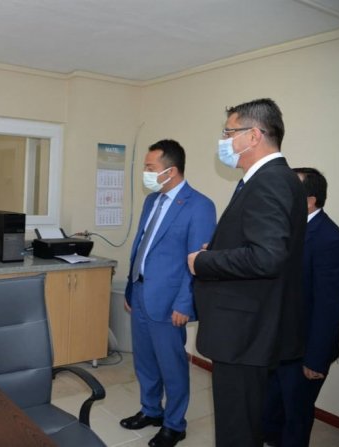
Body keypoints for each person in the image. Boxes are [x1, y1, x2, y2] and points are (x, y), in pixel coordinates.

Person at [187, 98, 307, 447]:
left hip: (244, 332)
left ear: (254, 135)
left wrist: (203, 262)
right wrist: (219, 250)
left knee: (236, 429)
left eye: (228, 133)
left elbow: (267, 257)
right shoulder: (275, 179)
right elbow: (263, 246)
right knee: (244, 421)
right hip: (251, 327)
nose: (223, 141)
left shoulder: (269, 181)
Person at [121, 140, 216, 447]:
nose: (145, 173)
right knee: (145, 361)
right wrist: (130, 286)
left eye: (150, 168)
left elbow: (197, 260)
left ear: (171, 171)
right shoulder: (152, 200)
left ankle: (175, 424)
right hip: (141, 292)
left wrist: (185, 303)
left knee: (171, 365)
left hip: (169, 301)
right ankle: (151, 410)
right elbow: (141, 246)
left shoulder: (199, 206)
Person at [263, 167, 339, 447]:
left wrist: (315, 359)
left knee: (296, 419)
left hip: (304, 353)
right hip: (276, 345)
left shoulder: (331, 241)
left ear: (310, 200)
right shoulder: (283, 230)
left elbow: (329, 307)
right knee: (269, 414)